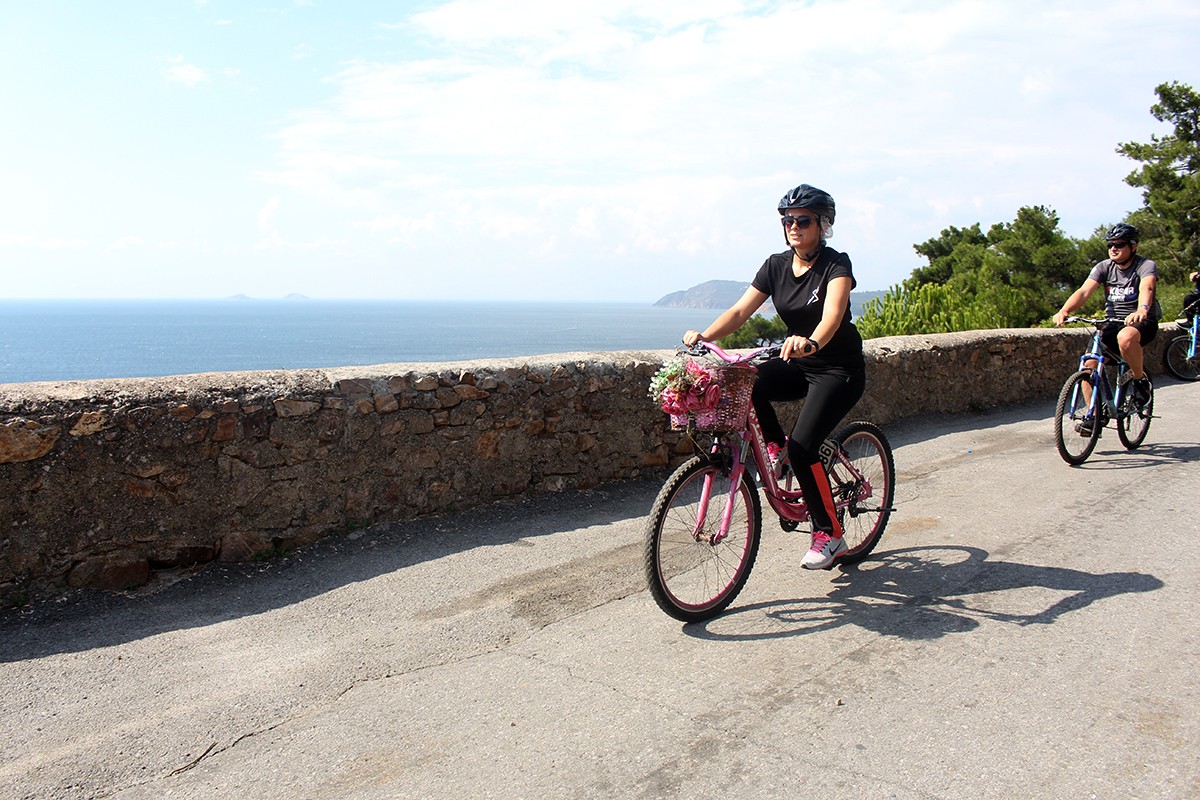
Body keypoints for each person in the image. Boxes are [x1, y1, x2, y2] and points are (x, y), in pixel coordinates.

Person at [683, 184, 866, 570]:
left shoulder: (836, 265)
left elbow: (833, 315)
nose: (793, 226)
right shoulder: (775, 266)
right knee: (747, 379)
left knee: (804, 449)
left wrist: (811, 342)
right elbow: (739, 312)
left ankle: (829, 534)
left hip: (837, 369)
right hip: (799, 365)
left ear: (823, 224)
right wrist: (705, 335)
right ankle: (774, 445)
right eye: (788, 220)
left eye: (803, 220)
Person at [1052, 223, 1158, 413]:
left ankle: (1139, 380)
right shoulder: (1104, 267)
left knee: (1125, 338)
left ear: (1133, 246)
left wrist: (1142, 309)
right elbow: (1084, 291)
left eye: (1119, 244)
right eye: (1110, 245)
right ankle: (1092, 415)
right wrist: (1064, 310)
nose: (1113, 248)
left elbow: (1147, 287)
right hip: (1113, 323)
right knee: (1088, 366)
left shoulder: (1145, 265)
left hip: (1141, 322)